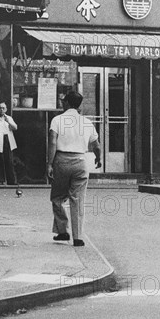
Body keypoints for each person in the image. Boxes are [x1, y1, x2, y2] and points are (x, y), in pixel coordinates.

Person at [47, 91, 101, 247]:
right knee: (77, 200)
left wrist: (49, 163)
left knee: (57, 197)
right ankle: (77, 237)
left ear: (67, 103)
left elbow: (52, 142)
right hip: (81, 161)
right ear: (79, 105)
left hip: (62, 161)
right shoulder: (87, 122)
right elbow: (96, 145)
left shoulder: (57, 120)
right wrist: (99, 158)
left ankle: (62, 231)